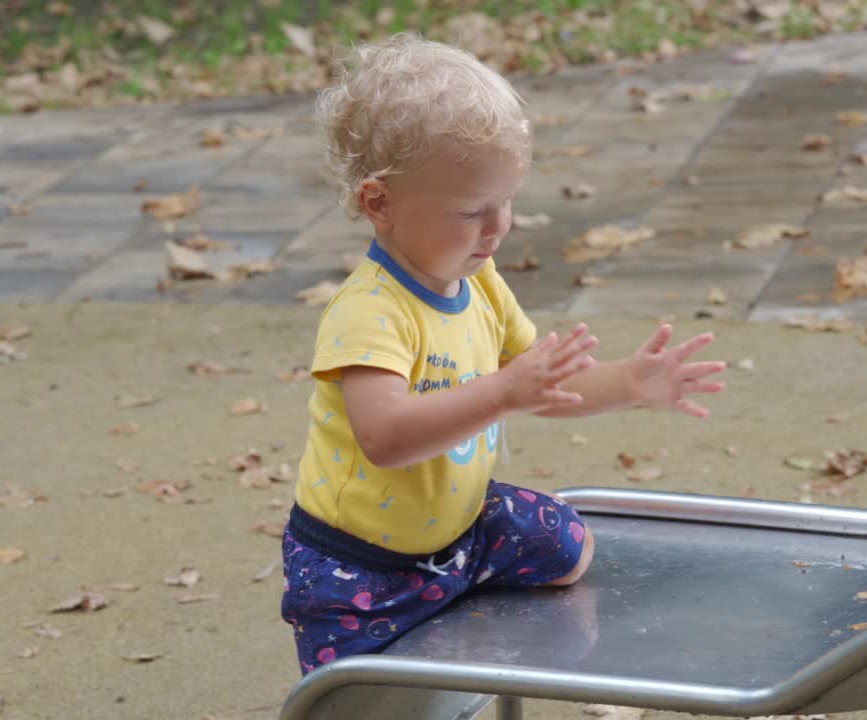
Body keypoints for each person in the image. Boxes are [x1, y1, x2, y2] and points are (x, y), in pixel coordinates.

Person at [280, 33, 727, 675]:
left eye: (506, 201)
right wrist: (502, 392)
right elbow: (384, 438)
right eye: (471, 211)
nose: (498, 227)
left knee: (569, 547)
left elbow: (545, 385)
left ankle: (456, 579)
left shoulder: (479, 282)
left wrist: (630, 381)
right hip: (357, 563)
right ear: (379, 203)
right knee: (359, 699)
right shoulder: (368, 312)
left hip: (463, 529)